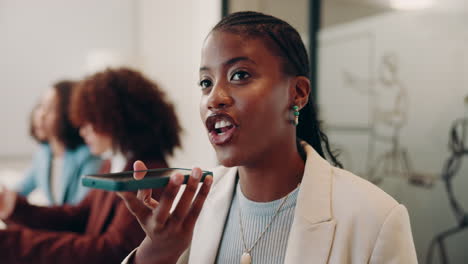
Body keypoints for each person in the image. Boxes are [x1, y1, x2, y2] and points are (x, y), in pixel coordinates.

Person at [120, 11, 418, 264]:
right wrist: (153, 255)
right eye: (205, 82)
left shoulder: (375, 219)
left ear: (297, 93)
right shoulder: (194, 208)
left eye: (239, 75)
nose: (214, 98)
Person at [0, 68, 182, 264]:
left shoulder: (145, 172)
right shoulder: (113, 163)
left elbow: (113, 250)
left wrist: (13, 243)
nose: (82, 129)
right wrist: (14, 206)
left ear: (116, 119)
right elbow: (78, 217)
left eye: (90, 120)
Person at [15, 80, 101, 205]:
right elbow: (20, 190)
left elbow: (80, 212)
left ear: (69, 114)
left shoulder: (88, 158)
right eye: (40, 106)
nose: (41, 115)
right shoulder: (44, 154)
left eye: (50, 108)